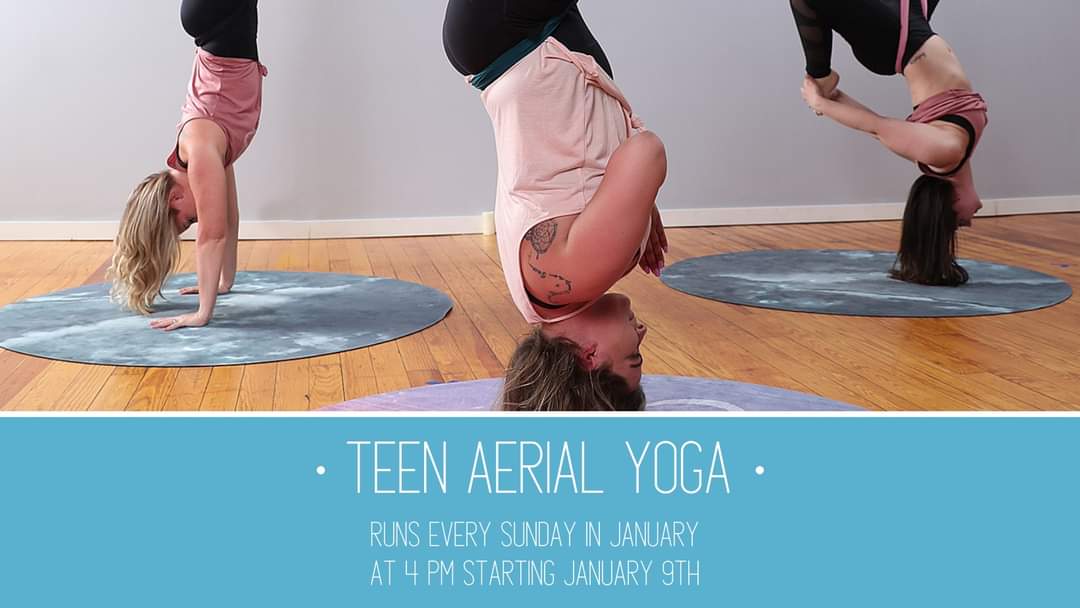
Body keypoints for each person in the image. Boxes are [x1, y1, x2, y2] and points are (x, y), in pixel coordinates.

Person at [443, 0, 666, 410]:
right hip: (522, 41)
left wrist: (639, 205)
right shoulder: (544, 298)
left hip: (514, 34)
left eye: (632, 356)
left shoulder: (577, 277)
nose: (642, 333)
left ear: (589, 357)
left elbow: (647, 153)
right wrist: (634, 210)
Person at [791, 0, 988, 286]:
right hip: (914, 23)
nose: (969, 221)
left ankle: (821, 73)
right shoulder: (955, 156)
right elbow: (875, 126)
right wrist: (836, 99)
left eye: (957, 222)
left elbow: (877, 126)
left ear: (950, 202)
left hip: (895, 40)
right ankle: (824, 82)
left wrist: (820, 101)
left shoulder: (944, 152)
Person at [110, 0, 266, 328]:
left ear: (173, 198)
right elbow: (229, 220)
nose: (197, 220)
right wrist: (223, 282)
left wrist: (201, 313)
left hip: (216, 22)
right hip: (217, 26)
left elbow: (212, 236)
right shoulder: (209, 151)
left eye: (187, 220)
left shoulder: (199, 156)